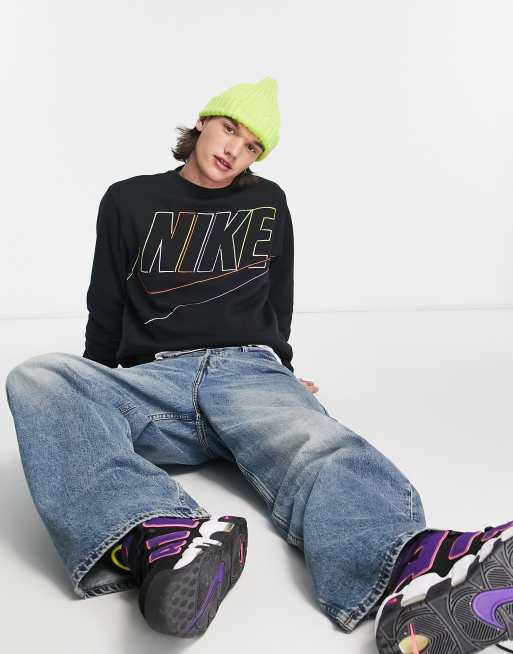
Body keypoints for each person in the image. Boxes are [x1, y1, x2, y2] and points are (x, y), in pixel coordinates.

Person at [5, 76, 513, 652]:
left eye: (251, 147)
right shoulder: (129, 199)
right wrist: (94, 389)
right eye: (229, 130)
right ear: (203, 122)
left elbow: (278, 293)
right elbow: (106, 300)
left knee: (317, 446)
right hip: (154, 380)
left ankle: (413, 570)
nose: (234, 151)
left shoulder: (267, 201)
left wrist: (281, 368)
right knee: (38, 377)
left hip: (245, 370)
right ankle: (163, 539)